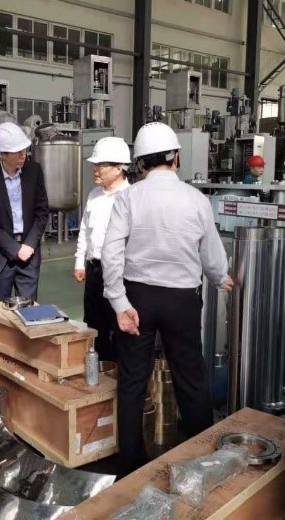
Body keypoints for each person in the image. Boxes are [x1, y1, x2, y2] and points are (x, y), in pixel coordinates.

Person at [101, 122, 233, 476]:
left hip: (138, 298)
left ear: (140, 163)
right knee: (191, 379)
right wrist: (220, 277)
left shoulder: (128, 198)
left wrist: (119, 303)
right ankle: (201, 463)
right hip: (182, 301)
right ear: (176, 158)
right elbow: (211, 253)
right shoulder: (196, 199)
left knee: (132, 381)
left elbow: (111, 253)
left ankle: (129, 467)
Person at [0, 122, 49, 301]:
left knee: (28, 310)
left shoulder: (34, 171)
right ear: (3, 154)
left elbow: (42, 212)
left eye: (25, 150)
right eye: (18, 152)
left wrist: (29, 245)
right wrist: (15, 249)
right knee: (0, 312)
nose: (24, 155)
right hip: (0, 257)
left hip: (29, 255)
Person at [73, 136, 131, 363]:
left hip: (119, 272)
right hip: (94, 270)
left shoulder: (130, 197)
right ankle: (98, 371)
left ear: (119, 168)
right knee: (94, 325)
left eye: (101, 165)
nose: (95, 170)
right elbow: (85, 230)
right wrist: (80, 262)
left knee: (118, 325)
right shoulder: (94, 195)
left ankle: (118, 372)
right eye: (95, 164)